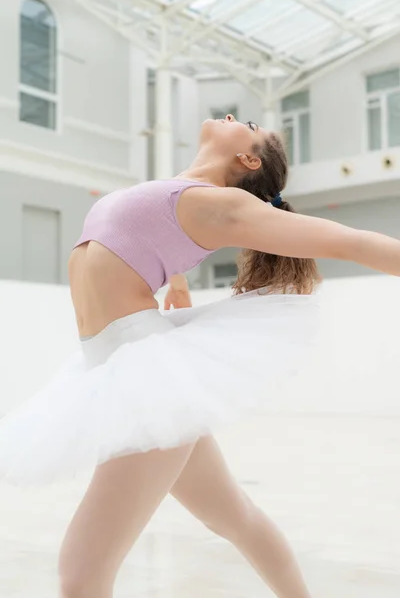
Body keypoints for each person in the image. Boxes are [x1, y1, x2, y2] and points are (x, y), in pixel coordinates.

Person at [0, 114, 400, 598]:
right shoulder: (181, 194)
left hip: (143, 376)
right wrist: (179, 279)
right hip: (116, 365)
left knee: (82, 571)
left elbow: (353, 243)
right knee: (233, 516)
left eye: (249, 123)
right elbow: (153, 232)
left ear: (248, 159)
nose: (234, 116)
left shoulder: (222, 203)